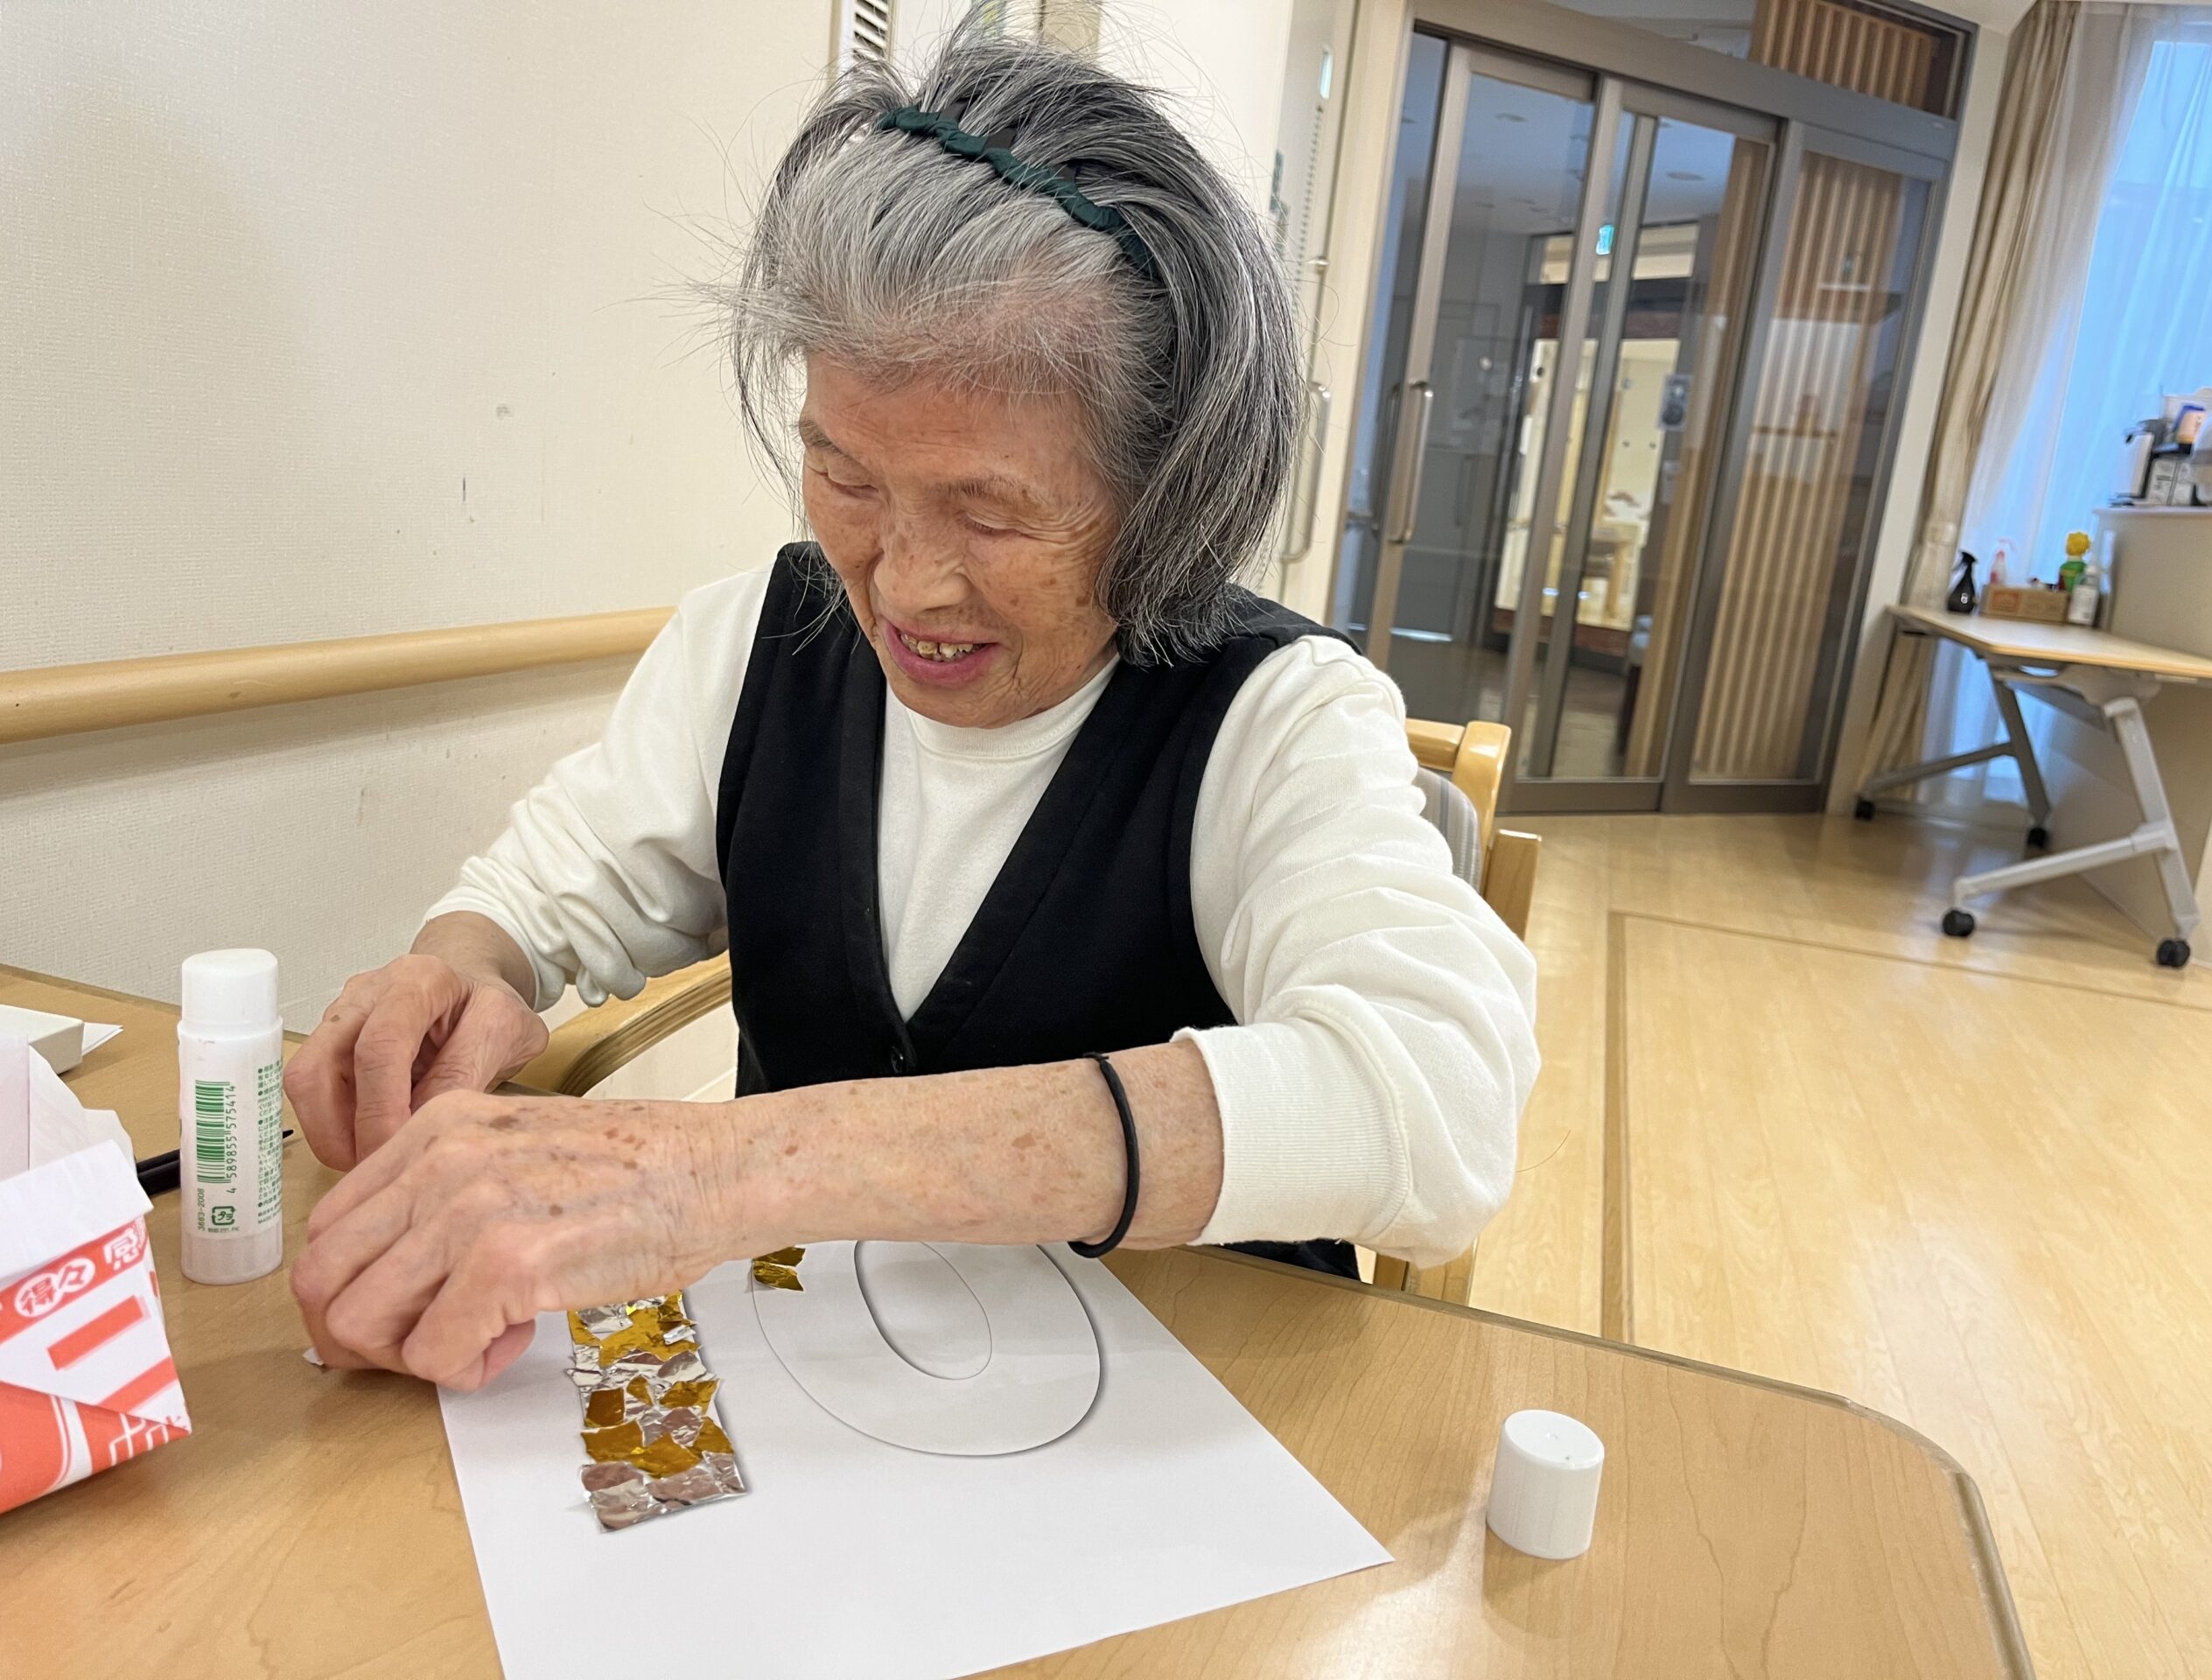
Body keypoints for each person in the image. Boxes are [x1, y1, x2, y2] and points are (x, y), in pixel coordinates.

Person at [287, 27, 1538, 1390]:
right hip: (820, 1400)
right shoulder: (754, 644)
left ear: (1166, 496)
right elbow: (539, 896)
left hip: (1190, 1423)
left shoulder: (1276, 719)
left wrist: (729, 1169)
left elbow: (1439, 1103)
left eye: (990, 513)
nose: (904, 582)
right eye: (846, 479)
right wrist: (455, 974)